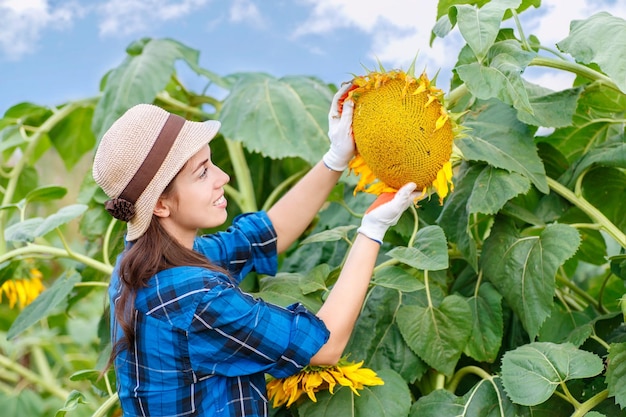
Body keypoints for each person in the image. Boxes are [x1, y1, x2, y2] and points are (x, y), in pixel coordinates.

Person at [92, 85, 421, 417]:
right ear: (161, 205)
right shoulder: (195, 298)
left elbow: (262, 236)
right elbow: (325, 345)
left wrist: (336, 157)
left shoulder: (139, 264)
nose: (222, 177)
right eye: (202, 172)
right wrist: (372, 230)